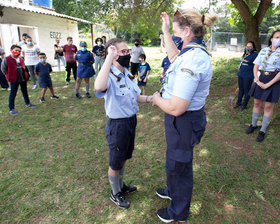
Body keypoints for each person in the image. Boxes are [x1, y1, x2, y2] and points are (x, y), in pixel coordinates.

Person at [152, 9, 217, 223]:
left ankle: (177, 212)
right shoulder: (190, 52)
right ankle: (173, 190)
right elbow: (174, 57)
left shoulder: (194, 59)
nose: (173, 33)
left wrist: (155, 98)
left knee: (179, 165)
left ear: (187, 31)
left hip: (183, 120)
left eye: (175, 29)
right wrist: (165, 31)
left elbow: (176, 108)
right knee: (175, 161)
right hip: (180, 121)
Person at [94, 38, 153, 209]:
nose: (128, 54)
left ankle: (120, 186)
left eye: (128, 51)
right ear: (113, 55)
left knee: (124, 157)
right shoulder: (109, 74)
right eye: (124, 52)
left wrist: (151, 98)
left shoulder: (126, 73)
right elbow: (99, 87)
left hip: (130, 122)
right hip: (117, 125)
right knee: (115, 161)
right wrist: (108, 58)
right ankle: (115, 193)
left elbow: (135, 96)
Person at [246, 30, 280, 142]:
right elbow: (256, 66)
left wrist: (269, 84)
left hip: (273, 80)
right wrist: (257, 80)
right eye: (277, 37)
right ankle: (254, 125)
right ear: (271, 38)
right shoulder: (264, 50)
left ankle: (263, 130)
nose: (278, 39)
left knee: (268, 107)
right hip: (261, 78)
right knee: (256, 103)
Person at [1, 45, 36, 115]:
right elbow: (3, 69)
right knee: (13, 93)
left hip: (22, 77)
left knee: (25, 91)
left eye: (19, 51)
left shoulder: (21, 59)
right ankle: (11, 108)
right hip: (14, 78)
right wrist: (9, 75)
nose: (18, 52)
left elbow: (23, 67)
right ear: (11, 50)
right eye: (16, 50)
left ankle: (28, 103)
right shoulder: (7, 59)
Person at [234, 41, 258, 111]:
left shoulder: (255, 55)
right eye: (247, 46)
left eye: (250, 47)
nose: (248, 48)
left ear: (253, 47)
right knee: (241, 89)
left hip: (248, 76)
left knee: (246, 90)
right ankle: (238, 103)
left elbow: (255, 65)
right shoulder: (245, 54)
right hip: (241, 74)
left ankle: (244, 105)